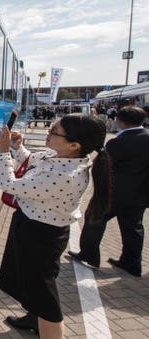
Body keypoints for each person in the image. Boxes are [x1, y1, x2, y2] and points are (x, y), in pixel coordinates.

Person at [0, 114, 111, 338]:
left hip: (40, 235)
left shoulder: (66, 176)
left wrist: (3, 152)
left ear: (74, 145)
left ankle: (47, 326)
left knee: (44, 297)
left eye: (54, 131)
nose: (49, 132)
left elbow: (10, 184)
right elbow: (33, 161)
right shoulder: (64, 157)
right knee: (31, 284)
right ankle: (34, 319)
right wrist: (18, 148)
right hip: (34, 226)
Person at [69, 106, 149, 277]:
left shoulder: (117, 142)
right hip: (139, 196)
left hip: (112, 194)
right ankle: (132, 264)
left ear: (119, 121)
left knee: (94, 219)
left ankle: (89, 255)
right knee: (134, 228)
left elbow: (103, 167)